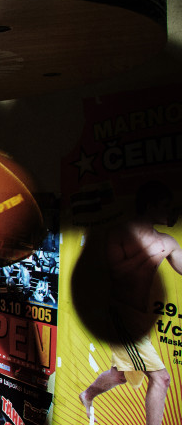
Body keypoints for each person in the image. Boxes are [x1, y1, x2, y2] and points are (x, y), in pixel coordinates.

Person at [79, 181, 182, 425]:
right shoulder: (120, 233)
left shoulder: (168, 243)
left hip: (139, 318)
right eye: (166, 206)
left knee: (121, 375)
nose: (171, 211)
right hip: (119, 314)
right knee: (161, 378)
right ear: (150, 205)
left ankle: (87, 394)